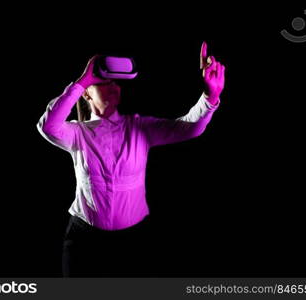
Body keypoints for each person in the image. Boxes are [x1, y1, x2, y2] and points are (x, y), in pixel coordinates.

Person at [37, 42, 225, 277]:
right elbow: (48, 126)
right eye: (102, 83)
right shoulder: (77, 133)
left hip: (133, 242)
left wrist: (211, 96)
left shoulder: (139, 128)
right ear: (87, 93)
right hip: (84, 241)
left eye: (115, 82)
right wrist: (83, 80)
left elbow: (189, 128)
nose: (112, 87)